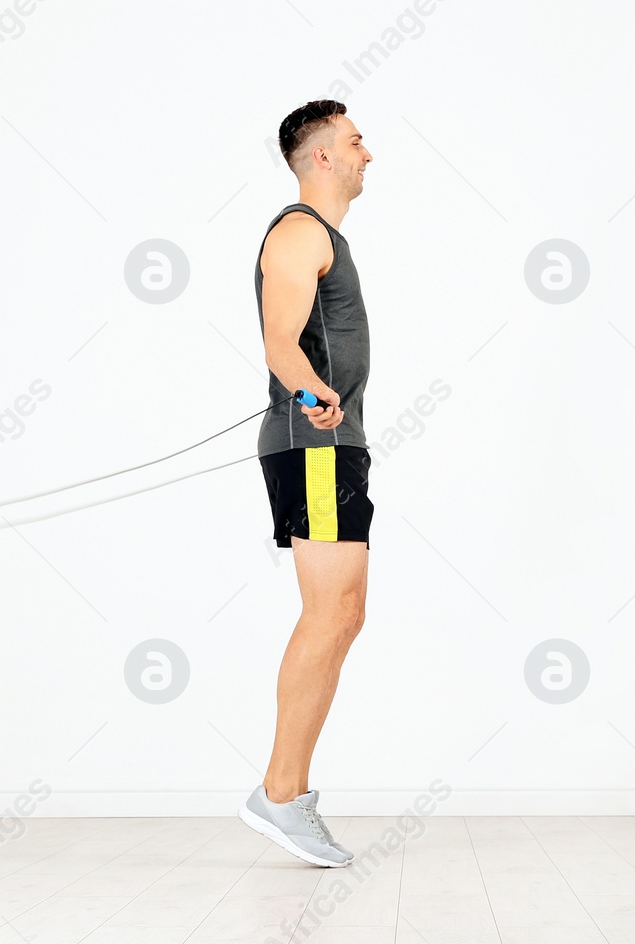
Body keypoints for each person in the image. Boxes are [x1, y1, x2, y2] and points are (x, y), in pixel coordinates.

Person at [236, 100, 375, 868]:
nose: (367, 153)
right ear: (321, 156)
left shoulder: (326, 238)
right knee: (331, 615)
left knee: (343, 615)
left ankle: (284, 794)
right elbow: (279, 341)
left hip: (332, 447)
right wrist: (310, 391)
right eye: (356, 140)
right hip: (314, 443)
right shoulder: (298, 232)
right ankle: (281, 795)